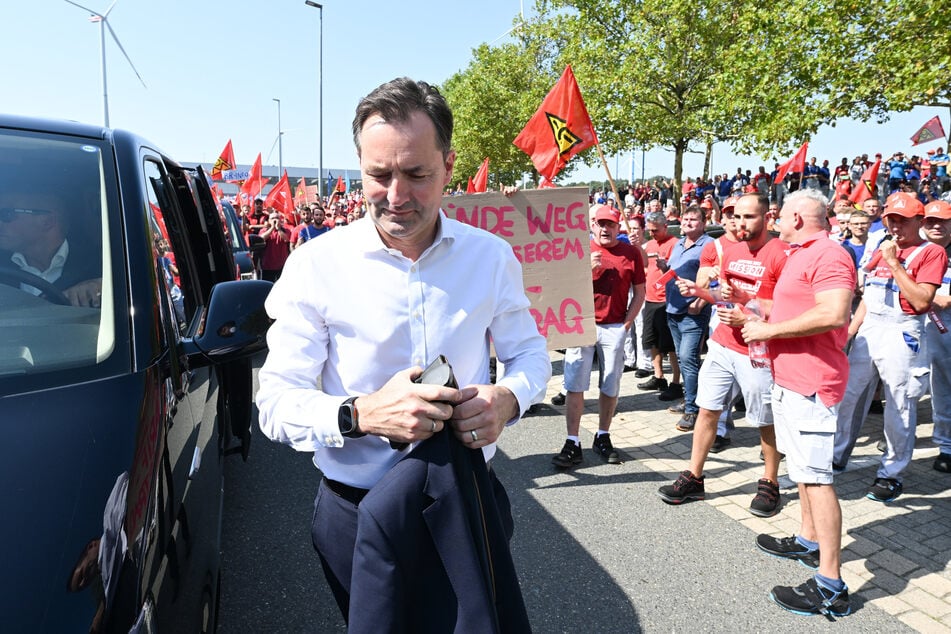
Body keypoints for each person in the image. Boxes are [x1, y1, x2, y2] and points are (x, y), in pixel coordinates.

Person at [255, 77, 550, 625]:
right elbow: (273, 401)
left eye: (416, 174)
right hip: (355, 510)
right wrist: (358, 414)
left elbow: (530, 353)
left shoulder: (490, 257)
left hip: (467, 502)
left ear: (449, 165)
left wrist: (507, 398)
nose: (396, 196)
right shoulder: (316, 265)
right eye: (379, 175)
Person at [741, 188, 856, 618]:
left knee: (817, 478)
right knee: (803, 473)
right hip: (791, 380)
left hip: (812, 383)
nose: (776, 218)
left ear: (800, 218)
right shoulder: (799, 253)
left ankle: (831, 585)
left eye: (782, 213)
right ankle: (808, 540)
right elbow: (788, 306)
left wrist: (768, 333)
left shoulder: (828, 254)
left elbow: (834, 313)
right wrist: (749, 307)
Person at [657, 193, 788, 517]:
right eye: (737, 217)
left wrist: (750, 312)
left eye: (749, 217)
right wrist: (699, 291)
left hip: (757, 350)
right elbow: (723, 295)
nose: (741, 223)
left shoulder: (780, 254)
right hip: (722, 344)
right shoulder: (729, 251)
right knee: (707, 409)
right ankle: (694, 476)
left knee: (764, 419)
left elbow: (788, 308)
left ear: (767, 218)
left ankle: (770, 481)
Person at [833, 193, 947, 501]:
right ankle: (837, 454)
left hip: (903, 333)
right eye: (890, 220)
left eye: (902, 221)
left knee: (899, 404)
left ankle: (891, 472)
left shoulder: (931, 252)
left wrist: (895, 263)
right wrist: (850, 332)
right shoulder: (879, 245)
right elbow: (868, 296)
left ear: (919, 223)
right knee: (849, 395)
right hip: (871, 329)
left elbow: (922, 300)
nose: (895, 227)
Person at [551, 205, 646, 467]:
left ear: (618, 227)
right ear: (592, 225)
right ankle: (572, 441)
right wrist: (587, 273)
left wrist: (626, 324)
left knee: (610, 384)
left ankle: (603, 435)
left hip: (614, 326)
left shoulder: (630, 253)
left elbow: (640, 291)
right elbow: (562, 287)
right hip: (581, 326)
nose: (605, 229)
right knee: (574, 384)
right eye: (601, 224)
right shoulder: (578, 249)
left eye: (611, 224)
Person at [0, 190, 102, 307]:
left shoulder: (103, 263)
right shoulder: (2, 265)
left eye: (6, 214)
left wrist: (103, 284)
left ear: (47, 222)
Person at [661, 205, 713, 430]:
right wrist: (664, 267)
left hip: (692, 312)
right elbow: (675, 270)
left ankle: (694, 410)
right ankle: (692, 399)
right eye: (685, 219)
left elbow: (714, 278)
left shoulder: (709, 245)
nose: (688, 223)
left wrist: (699, 303)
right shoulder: (678, 244)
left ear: (703, 223)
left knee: (688, 360)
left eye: (694, 220)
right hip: (673, 309)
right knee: (684, 361)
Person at [921, 200, 951, 472]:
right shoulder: (916, 251)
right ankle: (946, 446)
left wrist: (937, 298)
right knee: (937, 389)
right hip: (922, 329)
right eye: (930, 221)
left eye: (942, 221)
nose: (936, 226)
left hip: (947, 327)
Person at [638, 210, 681, 395]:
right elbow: (644, 267)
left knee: (669, 344)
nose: (652, 233)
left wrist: (666, 269)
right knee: (652, 340)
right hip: (650, 299)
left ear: (665, 227)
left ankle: (676, 381)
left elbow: (677, 271)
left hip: (667, 300)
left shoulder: (675, 244)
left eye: (655, 230)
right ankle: (658, 376)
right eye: (650, 230)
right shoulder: (649, 245)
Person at [258, 211, 291, 281]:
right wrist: (272, 228)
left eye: (277, 218)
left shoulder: (285, 230)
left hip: (282, 266)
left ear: (280, 220)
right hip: (267, 266)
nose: (275, 220)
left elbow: (286, 239)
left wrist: (278, 229)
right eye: (272, 218)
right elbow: (262, 238)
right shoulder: (264, 230)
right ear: (269, 221)